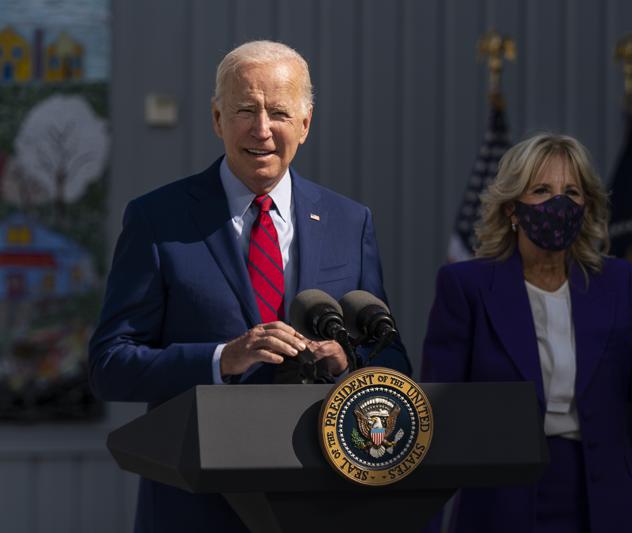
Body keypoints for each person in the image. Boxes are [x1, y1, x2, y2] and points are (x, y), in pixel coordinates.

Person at [89, 40, 410, 533]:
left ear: (305, 125)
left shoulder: (350, 222)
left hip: (322, 499)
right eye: (245, 110)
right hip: (195, 505)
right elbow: (110, 365)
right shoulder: (158, 219)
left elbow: (392, 360)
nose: (262, 129)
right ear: (218, 119)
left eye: (279, 112)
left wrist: (351, 362)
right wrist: (223, 359)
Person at [422, 133, 632, 533]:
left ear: (587, 207)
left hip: (605, 504)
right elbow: (439, 418)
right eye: (542, 190)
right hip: (500, 506)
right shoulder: (466, 287)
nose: (559, 203)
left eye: (572, 191)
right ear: (513, 208)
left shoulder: (617, 282)